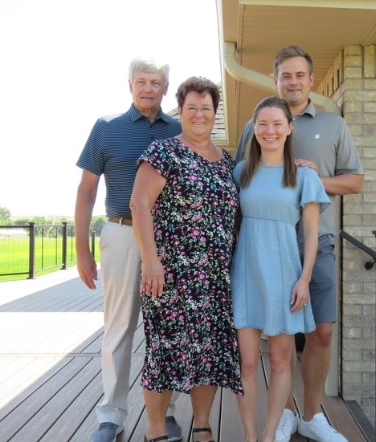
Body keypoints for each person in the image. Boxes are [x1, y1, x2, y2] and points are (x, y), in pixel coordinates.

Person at [235, 46, 364, 442]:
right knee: (269, 347)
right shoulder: (251, 135)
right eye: (284, 75)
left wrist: (304, 177)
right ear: (275, 80)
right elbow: (238, 186)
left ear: (310, 79)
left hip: (311, 244)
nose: (292, 81)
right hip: (254, 255)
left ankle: (311, 414)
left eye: (299, 75)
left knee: (319, 332)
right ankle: (284, 414)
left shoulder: (332, 124)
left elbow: (355, 182)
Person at [75, 57, 183, 442]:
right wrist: (82, 249)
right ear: (130, 85)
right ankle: (111, 415)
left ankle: (166, 412)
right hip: (120, 234)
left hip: (168, 240)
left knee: (165, 329)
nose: (148, 88)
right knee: (119, 327)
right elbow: (86, 190)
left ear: (165, 88)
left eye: (156, 82)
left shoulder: (180, 130)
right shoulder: (106, 129)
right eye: (142, 81)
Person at [129, 76, 243, 442]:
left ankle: (203, 426)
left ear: (215, 113)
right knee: (165, 351)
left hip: (214, 277)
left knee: (207, 351)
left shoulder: (227, 161)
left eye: (205, 108)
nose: (198, 114)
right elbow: (139, 204)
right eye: (191, 107)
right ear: (179, 111)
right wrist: (150, 261)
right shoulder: (163, 152)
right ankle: (156, 429)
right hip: (169, 274)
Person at [232, 96, 331, 442]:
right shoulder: (241, 172)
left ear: (290, 129)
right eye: (263, 124)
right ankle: (249, 434)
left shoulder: (304, 176)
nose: (269, 130)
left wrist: (304, 279)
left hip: (285, 275)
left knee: (278, 360)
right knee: (245, 363)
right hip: (245, 274)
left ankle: (270, 433)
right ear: (254, 129)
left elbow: (312, 234)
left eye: (277, 124)